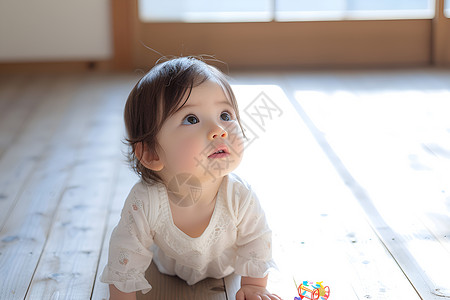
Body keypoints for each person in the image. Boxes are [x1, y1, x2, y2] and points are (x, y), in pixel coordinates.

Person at [101, 57, 280, 300]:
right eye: (191, 119)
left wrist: (255, 285)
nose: (219, 129)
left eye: (225, 114)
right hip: (167, 263)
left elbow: (256, 238)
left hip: (226, 267)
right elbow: (126, 249)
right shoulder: (146, 201)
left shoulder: (238, 194)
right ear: (151, 153)